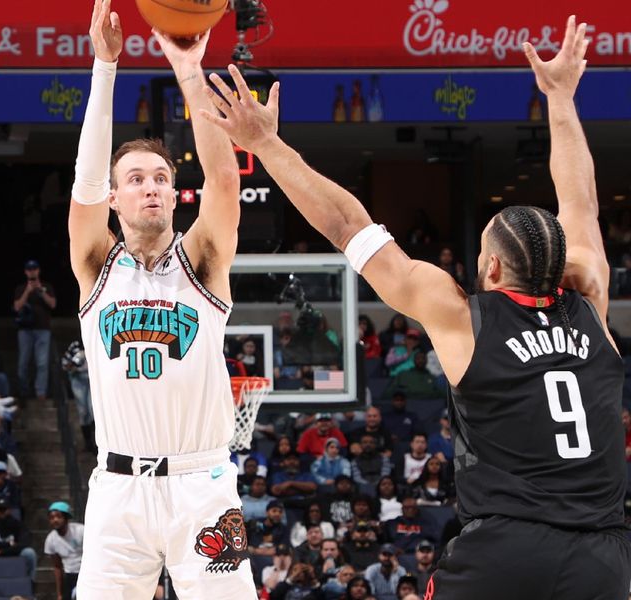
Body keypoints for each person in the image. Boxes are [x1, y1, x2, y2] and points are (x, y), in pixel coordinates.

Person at [205, 21, 631, 599]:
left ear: (495, 270)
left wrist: (265, 144)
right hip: (602, 558)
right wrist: (561, 97)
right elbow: (579, 199)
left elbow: (349, 225)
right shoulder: (593, 303)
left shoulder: (464, 319)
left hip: (504, 553)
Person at [68, 1, 256, 597]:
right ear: (115, 201)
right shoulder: (97, 266)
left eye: (161, 178)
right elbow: (85, 183)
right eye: (135, 179)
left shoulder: (200, 261)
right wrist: (105, 67)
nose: (150, 186)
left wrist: (188, 70)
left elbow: (225, 183)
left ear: (175, 195)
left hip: (204, 486)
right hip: (119, 489)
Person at [13, 259, 56, 401]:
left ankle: (41, 392)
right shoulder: (21, 288)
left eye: (34, 269)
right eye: (29, 269)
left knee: (42, 363)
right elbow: (17, 307)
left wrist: (40, 291)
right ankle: (23, 391)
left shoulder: (46, 286)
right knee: (23, 362)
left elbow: (53, 304)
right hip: (25, 330)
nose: (32, 272)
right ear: (26, 272)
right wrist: (27, 291)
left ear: (38, 270)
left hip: (43, 329)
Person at [0, 498, 36, 579]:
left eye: (4, 509)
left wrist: (2, 551)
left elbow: (25, 543)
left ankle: (30, 582)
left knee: (29, 552)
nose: (2, 511)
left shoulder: (18, 524)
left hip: (12, 552)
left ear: (9, 510)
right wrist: (9, 544)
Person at [61, 339, 96, 452]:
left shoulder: (96, 341)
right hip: (78, 379)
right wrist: (75, 361)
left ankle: (96, 443)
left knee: (93, 410)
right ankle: (88, 443)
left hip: (93, 380)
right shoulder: (75, 346)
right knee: (83, 413)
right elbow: (65, 365)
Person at [44, 501, 84, 600]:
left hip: (85, 571)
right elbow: (57, 566)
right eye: (52, 517)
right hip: (69, 575)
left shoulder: (80, 530)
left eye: (58, 516)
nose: (55, 520)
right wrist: (59, 594)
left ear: (66, 518)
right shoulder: (50, 540)